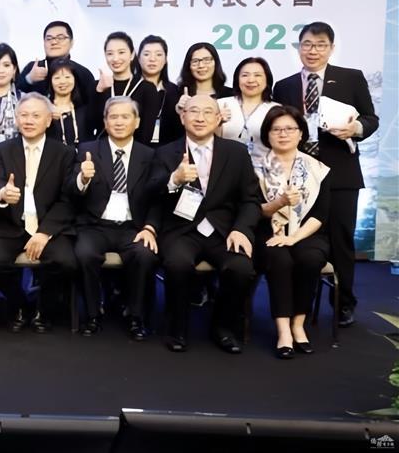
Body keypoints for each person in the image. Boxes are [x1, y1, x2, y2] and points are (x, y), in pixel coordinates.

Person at [271, 21, 378, 327]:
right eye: (307, 44)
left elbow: (371, 118)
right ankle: (298, 302)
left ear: (331, 48)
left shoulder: (351, 78)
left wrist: (355, 128)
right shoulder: (285, 86)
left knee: (341, 239)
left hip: (341, 173)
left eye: (320, 44)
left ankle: (343, 302)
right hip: (300, 175)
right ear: (298, 48)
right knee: (302, 240)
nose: (313, 50)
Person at [152, 94, 261, 353]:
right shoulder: (166, 152)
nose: (200, 118)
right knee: (177, 264)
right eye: (194, 112)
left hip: (224, 232)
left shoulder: (236, 153)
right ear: (182, 116)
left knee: (241, 267)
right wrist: (174, 180)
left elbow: (250, 200)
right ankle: (177, 328)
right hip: (180, 230)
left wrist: (241, 229)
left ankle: (222, 328)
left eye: (207, 112)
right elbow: (149, 193)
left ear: (218, 118)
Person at [0, 93, 78, 333]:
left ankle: (43, 308)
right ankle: (20, 305)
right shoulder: (1, 150)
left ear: (48, 121)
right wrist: (2, 194)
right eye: (24, 115)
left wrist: (45, 232)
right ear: (16, 119)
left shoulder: (65, 153)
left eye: (36, 116)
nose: (29, 120)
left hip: (49, 226)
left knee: (66, 262)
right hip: (11, 224)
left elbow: (67, 199)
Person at [71, 96, 162, 341]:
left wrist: (150, 228)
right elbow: (71, 189)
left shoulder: (150, 154)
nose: (119, 122)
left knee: (145, 254)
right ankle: (92, 314)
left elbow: (157, 198)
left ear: (137, 122)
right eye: (113, 117)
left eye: (125, 117)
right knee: (84, 254)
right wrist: (83, 179)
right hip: (95, 225)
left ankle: (135, 316)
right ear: (105, 121)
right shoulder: (87, 150)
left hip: (134, 227)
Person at [253, 106, 330, 358]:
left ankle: (299, 325)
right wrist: (279, 203)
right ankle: (283, 330)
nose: (283, 134)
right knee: (280, 259)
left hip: (307, 233)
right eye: (276, 129)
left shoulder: (317, 169)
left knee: (310, 258)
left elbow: (320, 213)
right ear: (267, 135)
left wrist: (294, 237)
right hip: (267, 231)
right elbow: (253, 210)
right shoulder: (255, 169)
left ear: (301, 134)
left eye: (290, 129)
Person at [91, 32, 158, 143]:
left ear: (132, 55)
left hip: (135, 153)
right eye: (110, 54)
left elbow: (147, 131)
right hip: (102, 152)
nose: (115, 58)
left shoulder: (147, 88)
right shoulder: (97, 86)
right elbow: (90, 125)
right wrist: (99, 91)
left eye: (121, 52)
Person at [217, 57, 279, 167]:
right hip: (225, 166)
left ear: (267, 79)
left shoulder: (276, 110)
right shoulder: (220, 104)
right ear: (237, 79)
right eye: (245, 75)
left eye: (257, 75)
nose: (251, 80)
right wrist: (217, 123)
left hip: (264, 170)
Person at [17, 21, 96, 103]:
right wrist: (29, 79)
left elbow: (92, 106)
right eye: (49, 39)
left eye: (60, 38)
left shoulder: (82, 73)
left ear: (71, 43)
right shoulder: (33, 68)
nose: (54, 42)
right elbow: (11, 96)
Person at [137, 35, 183, 146]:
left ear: (166, 59)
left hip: (167, 151)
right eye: (147, 54)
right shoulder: (130, 88)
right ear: (138, 58)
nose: (152, 59)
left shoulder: (175, 91)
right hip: (134, 152)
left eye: (158, 54)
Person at [175, 43, 233, 114]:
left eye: (207, 60)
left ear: (216, 62)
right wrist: (179, 109)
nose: (201, 65)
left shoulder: (230, 95)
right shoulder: (176, 94)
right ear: (188, 65)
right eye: (195, 61)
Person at [45, 59, 92, 148]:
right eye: (57, 78)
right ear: (50, 81)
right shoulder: (44, 109)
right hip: (54, 160)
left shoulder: (84, 109)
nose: (62, 81)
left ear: (75, 79)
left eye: (67, 77)